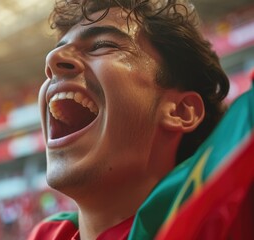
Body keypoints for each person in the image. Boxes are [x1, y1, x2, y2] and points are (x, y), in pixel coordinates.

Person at [28, 0, 229, 239]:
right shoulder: (48, 234)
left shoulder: (220, 228)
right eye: (59, 48)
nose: (52, 59)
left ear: (180, 112)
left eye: (102, 45)